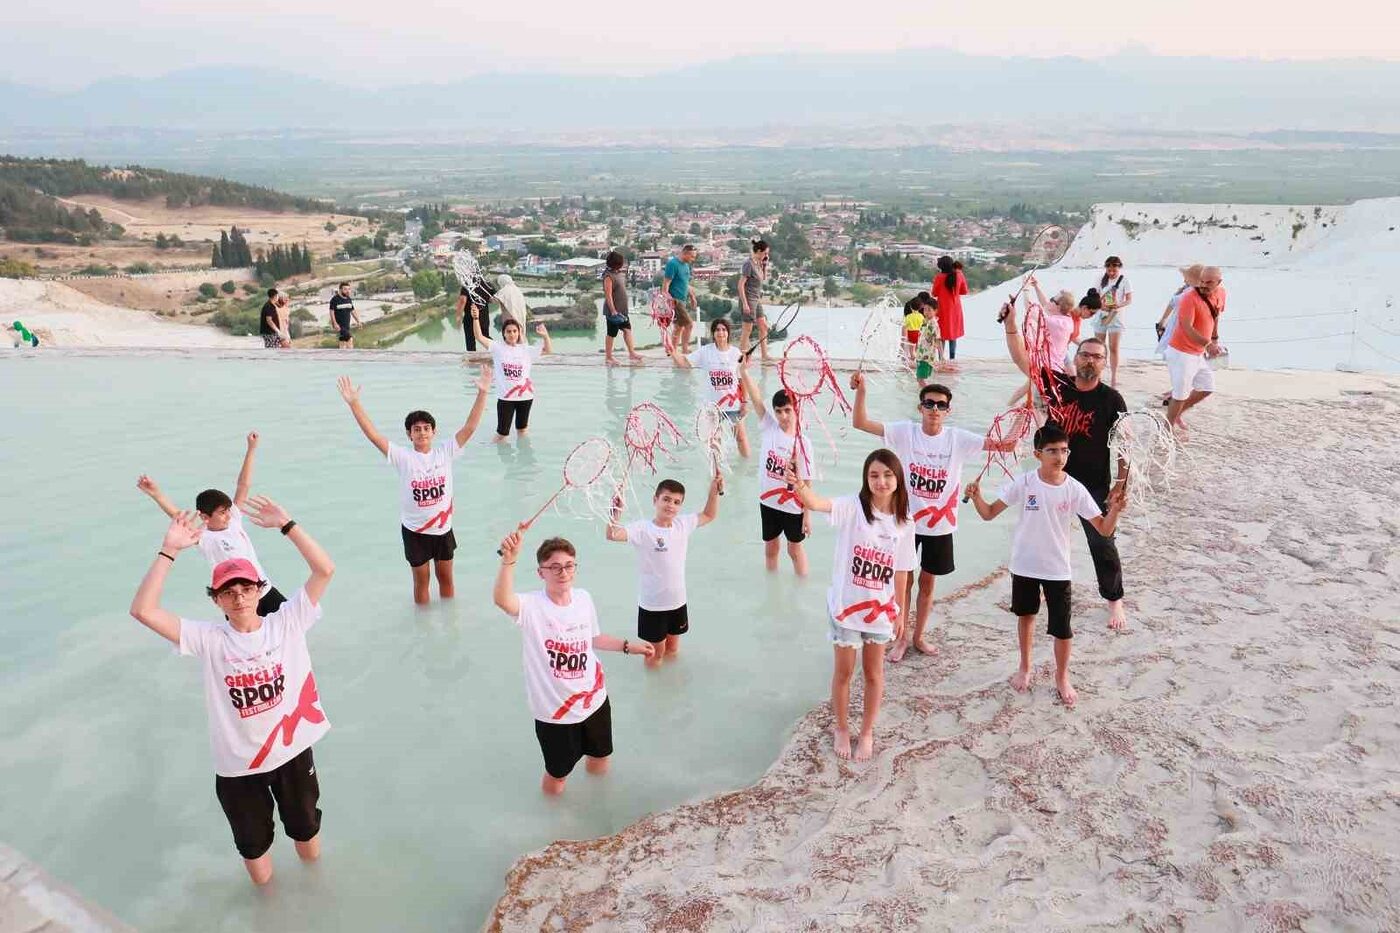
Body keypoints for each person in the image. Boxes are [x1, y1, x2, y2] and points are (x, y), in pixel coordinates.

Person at [128, 496, 335, 885]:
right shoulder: (209, 639)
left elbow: (324, 569)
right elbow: (143, 611)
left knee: (307, 831)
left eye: (245, 587)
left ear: (260, 590)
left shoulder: (286, 623)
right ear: (217, 599)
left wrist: (288, 525)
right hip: (240, 767)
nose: (238, 595)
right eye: (228, 590)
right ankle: (271, 911)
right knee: (254, 850)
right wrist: (168, 550)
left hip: (292, 751)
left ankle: (316, 892)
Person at [850, 370, 1012, 661]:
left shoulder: (958, 439)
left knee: (927, 584)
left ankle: (918, 637)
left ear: (948, 411)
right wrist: (861, 390)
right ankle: (899, 638)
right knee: (903, 583)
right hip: (905, 522)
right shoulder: (905, 432)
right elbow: (860, 423)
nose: (934, 409)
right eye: (929, 404)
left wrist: (1028, 417)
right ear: (920, 407)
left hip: (941, 526)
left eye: (940, 405)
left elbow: (1004, 446)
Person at [966, 425, 1125, 707]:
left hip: (1057, 569)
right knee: (1026, 618)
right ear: (1037, 454)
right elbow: (989, 513)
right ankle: (1025, 668)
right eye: (1052, 451)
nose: (1059, 456)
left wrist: (1114, 510)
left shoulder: (1074, 489)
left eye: (1064, 450)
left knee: (1062, 629)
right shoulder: (1025, 483)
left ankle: (1062, 677)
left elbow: (1102, 529)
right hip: (1025, 565)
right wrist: (977, 496)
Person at [493, 530, 654, 795]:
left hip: (594, 699)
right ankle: (555, 823)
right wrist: (508, 561)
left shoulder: (583, 598)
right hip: (555, 713)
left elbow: (593, 639)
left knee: (600, 757)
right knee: (558, 776)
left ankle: (598, 800)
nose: (563, 572)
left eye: (569, 566)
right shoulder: (531, 605)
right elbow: (502, 600)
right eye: (554, 567)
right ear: (541, 572)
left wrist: (629, 647)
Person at [1004, 310, 1130, 631]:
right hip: (1051, 480)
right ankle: (1040, 586)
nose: (1090, 361)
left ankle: (1114, 599)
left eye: (1097, 357)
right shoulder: (1057, 384)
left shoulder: (1112, 399)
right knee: (1040, 538)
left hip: (1092, 484)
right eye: (1085, 355)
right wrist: (1010, 325)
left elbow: (1124, 446)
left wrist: (1121, 483)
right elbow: (1023, 360)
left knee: (1103, 543)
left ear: (1104, 363)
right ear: (1076, 357)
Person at [787, 448, 916, 761]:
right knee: (843, 673)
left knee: (874, 674)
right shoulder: (852, 507)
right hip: (846, 608)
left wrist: (901, 613)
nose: (881, 481)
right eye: (874, 475)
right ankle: (842, 727)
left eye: (887, 475)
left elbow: (901, 572)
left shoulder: (905, 522)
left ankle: (867, 731)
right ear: (866, 479)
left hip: (881, 612)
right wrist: (800, 486)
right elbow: (817, 503)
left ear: (898, 479)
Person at [336, 367, 492, 605]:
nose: (422, 433)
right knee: (421, 582)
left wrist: (482, 393)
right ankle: (424, 628)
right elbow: (373, 435)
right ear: (409, 435)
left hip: (443, 530)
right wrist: (354, 404)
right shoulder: (403, 457)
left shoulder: (445, 452)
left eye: (426, 428)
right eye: (416, 430)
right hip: (415, 532)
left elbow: (469, 427)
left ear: (434, 431)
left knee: (446, 579)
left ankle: (449, 624)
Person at [136, 432, 288, 617]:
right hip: (238, 604)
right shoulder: (204, 538)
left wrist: (251, 449)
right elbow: (177, 516)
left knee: (295, 624)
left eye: (227, 511)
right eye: (222, 513)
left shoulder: (234, 521)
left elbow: (243, 485)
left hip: (264, 592)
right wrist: (156, 493)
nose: (227, 516)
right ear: (205, 517)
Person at [605, 476, 721, 668]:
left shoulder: (683, 525)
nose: (671, 505)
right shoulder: (642, 529)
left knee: (673, 649)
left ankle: (670, 687)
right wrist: (615, 512)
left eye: (676, 502)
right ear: (655, 500)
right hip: (653, 606)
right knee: (654, 654)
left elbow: (709, 515)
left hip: (677, 601)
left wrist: (713, 492)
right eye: (666, 499)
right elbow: (612, 534)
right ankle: (653, 690)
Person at [738, 362, 810, 576]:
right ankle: (772, 585)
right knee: (771, 548)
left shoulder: (803, 442)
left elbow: (807, 482)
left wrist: (807, 515)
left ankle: (801, 587)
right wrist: (743, 372)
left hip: (793, 505)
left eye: (787, 410)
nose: (783, 416)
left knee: (794, 549)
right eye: (778, 411)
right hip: (767, 502)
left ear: (795, 409)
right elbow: (756, 398)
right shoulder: (769, 427)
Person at [671, 318, 749, 457]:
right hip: (713, 407)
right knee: (714, 441)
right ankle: (717, 470)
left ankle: (747, 467)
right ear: (713, 333)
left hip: (733, 405)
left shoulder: (735, 353)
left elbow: (742, 379)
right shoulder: (705, 352)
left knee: (741, 439)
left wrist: (745, 402)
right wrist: (672, 351)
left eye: (724, 329)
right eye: (717, 330)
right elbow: (684, 363)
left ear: (728, 333)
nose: (721, 332)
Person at [471, 312, 552, 442]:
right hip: (505, 398)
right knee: (502, 434)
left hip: (526, 397)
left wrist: (545, 336)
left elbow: (548, 350)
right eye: (509, 331)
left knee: (522, 430)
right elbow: (479, 336)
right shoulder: (498, 347)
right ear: (504, 333)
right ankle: (494, 458)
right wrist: (476, 318)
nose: (512, 334)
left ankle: (523, 457)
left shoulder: (526, 349)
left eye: (515, 331)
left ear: (519, 332)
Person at [1164, 266, 1226, 433]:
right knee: (1180, 395)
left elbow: (1216, 316)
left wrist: (1215, 339)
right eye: (1201, 281)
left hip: (1198, 352)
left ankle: (1176, 414)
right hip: (1181, 353)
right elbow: (1186, 327)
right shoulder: (1189, 297)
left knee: (1207, 387)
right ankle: (1166, 429)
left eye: (1209, 282)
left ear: (1219, 282)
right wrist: (1208, 345)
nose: (1204, 285)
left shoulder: (1221, 293)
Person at [1154, 265, 1203, 404]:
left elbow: (1174, 302)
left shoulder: (1191, 292)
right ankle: (1176, 390)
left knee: (1179, 362)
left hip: (1181, 330)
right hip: (1178, 328)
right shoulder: (1189, 290)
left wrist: (1163, 320)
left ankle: (1177, 392)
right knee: (1177, 362)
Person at [1090, 257, 1132, 387]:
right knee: (1099, 348)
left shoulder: (1124, 280)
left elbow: (1129, 299)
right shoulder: (1100, 279)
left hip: (1116, 316)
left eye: (1114, 270)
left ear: (1119, 268)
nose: (1112, 273)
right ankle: (1099, 375)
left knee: (1114, 348)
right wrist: (1101, 306)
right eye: (1109, 270)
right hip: (1101, 316)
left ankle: (1114, 377)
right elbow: (1095, 297)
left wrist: (1118, 305)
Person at [603, 250, 643, 366]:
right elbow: (608, 295)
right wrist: (613, 311)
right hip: (613, 311)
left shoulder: (619, 273)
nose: (623, 264)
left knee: (627, 330)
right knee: (611, 333)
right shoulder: (608, 277)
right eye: (621, 262)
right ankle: (608, 357)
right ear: (616, 263)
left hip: (622, 310)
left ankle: (632, 353)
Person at [738, 239, 772, 363]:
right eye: (765, 253)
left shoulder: (758, 263)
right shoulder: (749, 264)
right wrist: (745, 304)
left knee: (763, 326)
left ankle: (764, 355)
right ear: (758, 251)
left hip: (756, 300)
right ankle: (742, 358)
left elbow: (763, 278)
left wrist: (764, 265)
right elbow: (740, 285)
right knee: (747, 330)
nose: (766, 256)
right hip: (748, 300)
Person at [663, 245, 699, 355]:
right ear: (685, 253)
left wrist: (692, 296)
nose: (693, 259)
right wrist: (668, 301)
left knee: (678, 327)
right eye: (692, 256)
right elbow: (666, 284)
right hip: (675, 300)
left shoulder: (686, 266)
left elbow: (685, 283)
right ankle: (684, 349)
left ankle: (672, 350)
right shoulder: (673, 264)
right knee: (689, 325)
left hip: (683, 299)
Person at [932, 256, 968, 360]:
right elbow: (964, 291)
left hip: (942, 308)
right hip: (955, 308)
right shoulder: (959, 275)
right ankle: (952, 358)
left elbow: (934, 293)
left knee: (941, 334)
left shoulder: (939, 277)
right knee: (953, 335)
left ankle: (941, 358)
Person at [455, 276, 497, 352]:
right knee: (485, 337)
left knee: (470, 340)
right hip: (484, 317)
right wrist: (484, 299)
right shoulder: (486, 283)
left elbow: (462, 300)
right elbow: (494, 299)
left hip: (470, 317)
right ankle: (497, 350)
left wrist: (458, 317)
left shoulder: (468, 283)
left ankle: (472, 361)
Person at [914, 292, 943, 382]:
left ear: (935, 311)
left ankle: (925, 394)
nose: (926, 312)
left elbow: (938, 340)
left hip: (926, 357)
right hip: (921, 355)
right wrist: (916, 348)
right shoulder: (925, 321)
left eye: (929, 310)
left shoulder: (934, 324)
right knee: (923, 379)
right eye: (925, 309)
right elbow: (921, 337)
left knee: (920, 380)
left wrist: (941, 356)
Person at [328, 282, 360, 349]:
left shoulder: (348, 299)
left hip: (347, 325)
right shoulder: (334, 300)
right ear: (340, 290)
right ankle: (351, 356)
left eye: (349, 289)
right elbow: (331, 312)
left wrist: (358, 321)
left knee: (342, 342)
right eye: (345, 289)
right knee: (349, 339)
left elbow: (352, 311)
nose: (347, 291)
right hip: (339, 325)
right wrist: (335, 324)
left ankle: (341, 357)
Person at [902, 299, 924, 365]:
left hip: (910, 333)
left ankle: (912, 359)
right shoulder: (921, 316)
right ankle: (917, 359)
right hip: (918, 333)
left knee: (911, 350)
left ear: (911, 307)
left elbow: (905, 325)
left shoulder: (908, 316)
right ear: (920, 307)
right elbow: (923, 325)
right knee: (917, 348)